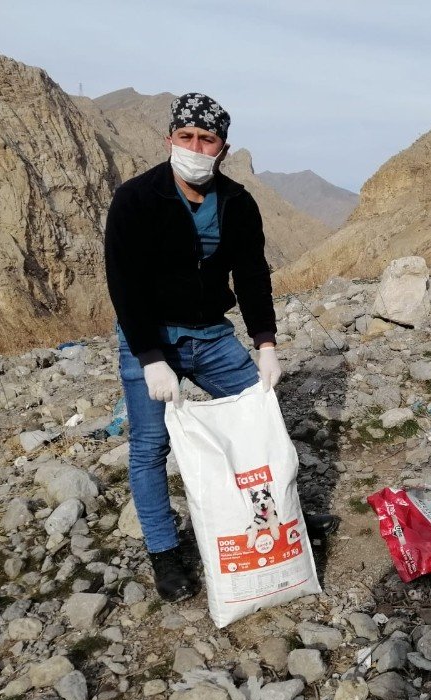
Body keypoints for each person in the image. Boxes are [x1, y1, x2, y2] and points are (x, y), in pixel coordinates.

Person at [104, 92, 282, 602]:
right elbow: (125, 283)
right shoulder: (136, 199)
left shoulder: (237, 203)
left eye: (207, 139)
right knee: (150, 449)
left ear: (222, 148)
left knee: (259, 421)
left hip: (212, 336)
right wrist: (150, 356)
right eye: (187, 137)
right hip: (153, 337)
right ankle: (165, 555)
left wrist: (265, 343)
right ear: (170, 140)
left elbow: (251, 276)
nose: (196, 146)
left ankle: (266, 518)